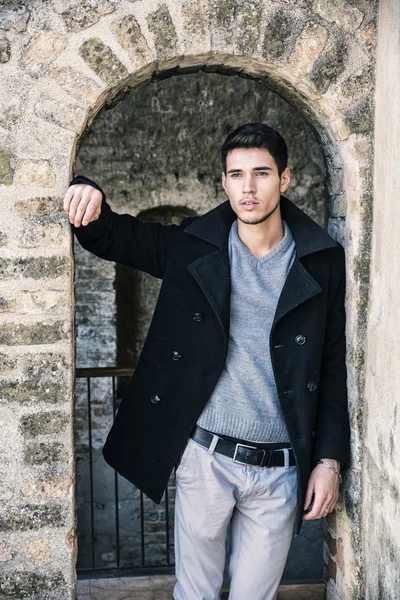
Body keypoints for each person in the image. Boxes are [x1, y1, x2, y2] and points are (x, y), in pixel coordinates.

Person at [64, 123, 350, 600]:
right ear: (223, 183)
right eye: (237, 175)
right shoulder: (194, 248)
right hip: (207, 460)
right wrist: (87, 192)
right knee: (194, 594)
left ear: (285, 179)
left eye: (261, 173)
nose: (249, 187)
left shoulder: (321, 262)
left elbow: (333, 363)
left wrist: (330, 460)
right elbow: (111, 236)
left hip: (280, 466)